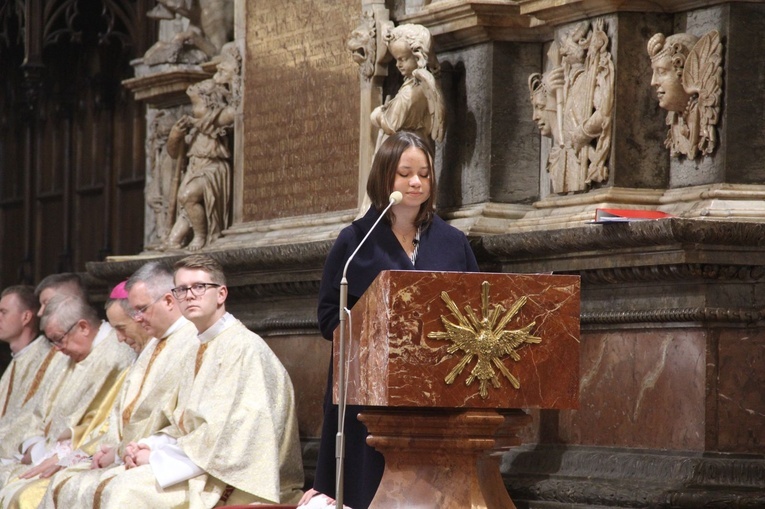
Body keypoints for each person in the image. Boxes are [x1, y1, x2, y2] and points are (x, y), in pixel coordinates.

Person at [308, 131, 479, 509]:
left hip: (438, 386)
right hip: (369, 389)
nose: (416, 182)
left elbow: (474, 308)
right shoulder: (355, 240)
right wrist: (371, 330)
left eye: (424, 174)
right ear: (385, 178)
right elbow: (327, 317)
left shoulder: (453, 241)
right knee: (371, 489)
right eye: (405, 174)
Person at [93, 254, 303, 507]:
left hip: (239, 480)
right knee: (109, 483)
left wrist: (158, 458)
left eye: (199, 287)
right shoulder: (196, 347)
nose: (190, 295)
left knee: (126, 491)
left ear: (222, 294)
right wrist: (149, 445)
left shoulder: (244, 349)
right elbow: (184, 422)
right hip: (200, 465)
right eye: (181, 289)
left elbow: (235, 439)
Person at [10, 267, 199, 509]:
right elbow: (119, 420)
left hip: (168, 459)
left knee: (111, 492)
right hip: (131, 453)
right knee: (64, 483)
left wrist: (135, 450)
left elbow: (184, 422)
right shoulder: (153, 349)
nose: (121, 337)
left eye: (140, 311)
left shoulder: (190, 343)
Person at [0, 295, 134, 486]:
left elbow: (101, 421)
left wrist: (59, 453)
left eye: (58, 339)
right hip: (42, 451)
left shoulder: (115, 357)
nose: (57, 349)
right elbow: (40, 407)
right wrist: (34, 444)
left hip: (77, 453)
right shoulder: (67, 357)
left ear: (83, 327)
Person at [370, 24, 445, 153]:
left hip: (408, 152)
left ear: (418, 57)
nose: (398, 65)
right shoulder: (417, 84)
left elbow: (391, 124)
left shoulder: (411, 91)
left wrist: (377, 115)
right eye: (396, 60)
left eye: (402, 59)